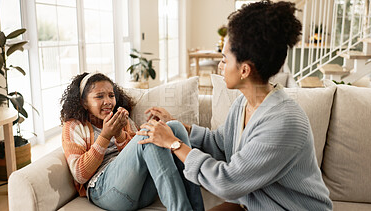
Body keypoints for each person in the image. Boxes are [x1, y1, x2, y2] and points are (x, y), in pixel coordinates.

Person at [138, 1, 333, 210]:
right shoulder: (243, 103)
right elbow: (220, 143)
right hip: (253, 204)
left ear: (244, 70)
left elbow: (227, 183)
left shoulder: (283, 122)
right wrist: (178, 126)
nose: (220, 66)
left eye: (224, 59)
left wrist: (174, 144)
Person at [60, 72, 204, 211]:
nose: (108, 101)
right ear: (84, 102)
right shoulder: (74, 126)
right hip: (105, 191)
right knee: (148, 134)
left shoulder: (122, 119)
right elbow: (80, 175)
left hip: (140, 191)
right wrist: (105, 136)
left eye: (111, 95)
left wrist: (119, 135)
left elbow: (139, 157)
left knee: (175, 127)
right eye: (99, 96)